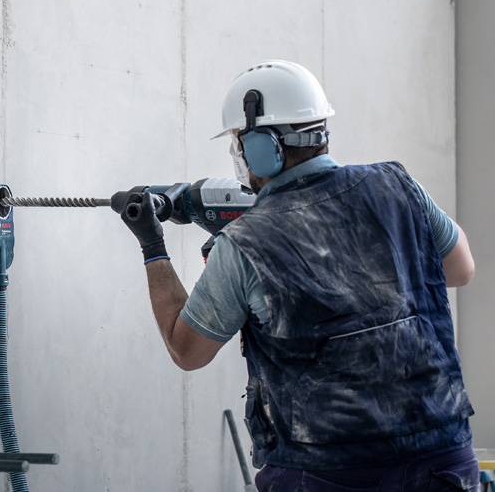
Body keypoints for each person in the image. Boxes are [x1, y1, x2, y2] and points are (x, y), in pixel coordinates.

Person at [116, 60, 479, 491]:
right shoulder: (398, 187)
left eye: (239, 141)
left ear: (262, 147)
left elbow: (187, 350)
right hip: (441, 458)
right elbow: (460, 269)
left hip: (324, 473)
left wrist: (152, 247)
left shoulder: (242, 243)